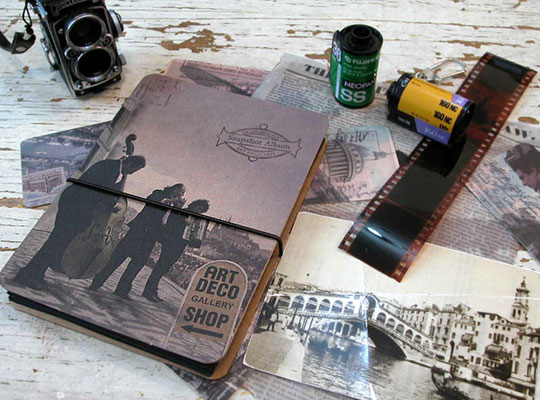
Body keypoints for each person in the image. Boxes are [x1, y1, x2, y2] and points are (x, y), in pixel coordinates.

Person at [14, 155, 146, 290]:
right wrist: (111, 203)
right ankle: (26, 275)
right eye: (133, 170)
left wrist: (119, 185)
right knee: (54, 242)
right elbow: (100, 193)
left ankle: (37, 274)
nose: (131, 173)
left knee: (58, 243)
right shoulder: (109, 167)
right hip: (74, 208)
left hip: (78, 208)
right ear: (130, 164)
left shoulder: (113, 169)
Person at [89, 183, 186, 299]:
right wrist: (171, 201)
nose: (181, 195)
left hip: (150, 238)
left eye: (183, 193)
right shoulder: (159, 193)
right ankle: (97, 283)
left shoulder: (175, 205)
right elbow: (153, 201)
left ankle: (122, 290)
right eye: (181, 191)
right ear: (174, 188)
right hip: (138, 232)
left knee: (136, 265)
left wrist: (178, 209)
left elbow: (169, 223)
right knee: (116, 258)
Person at [142, 199, 210, 302]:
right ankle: (148, 290)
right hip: (171, 242)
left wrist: (194, 239)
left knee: (165, 268)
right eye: (198, 208)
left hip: (180, 245)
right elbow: (169, 225)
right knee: (161, 266)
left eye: (201, 210)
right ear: (194, 205)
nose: (198, 211)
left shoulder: (196, 218)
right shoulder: (181, 211)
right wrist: (184, 222)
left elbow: (193, 234)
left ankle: (153, 290)